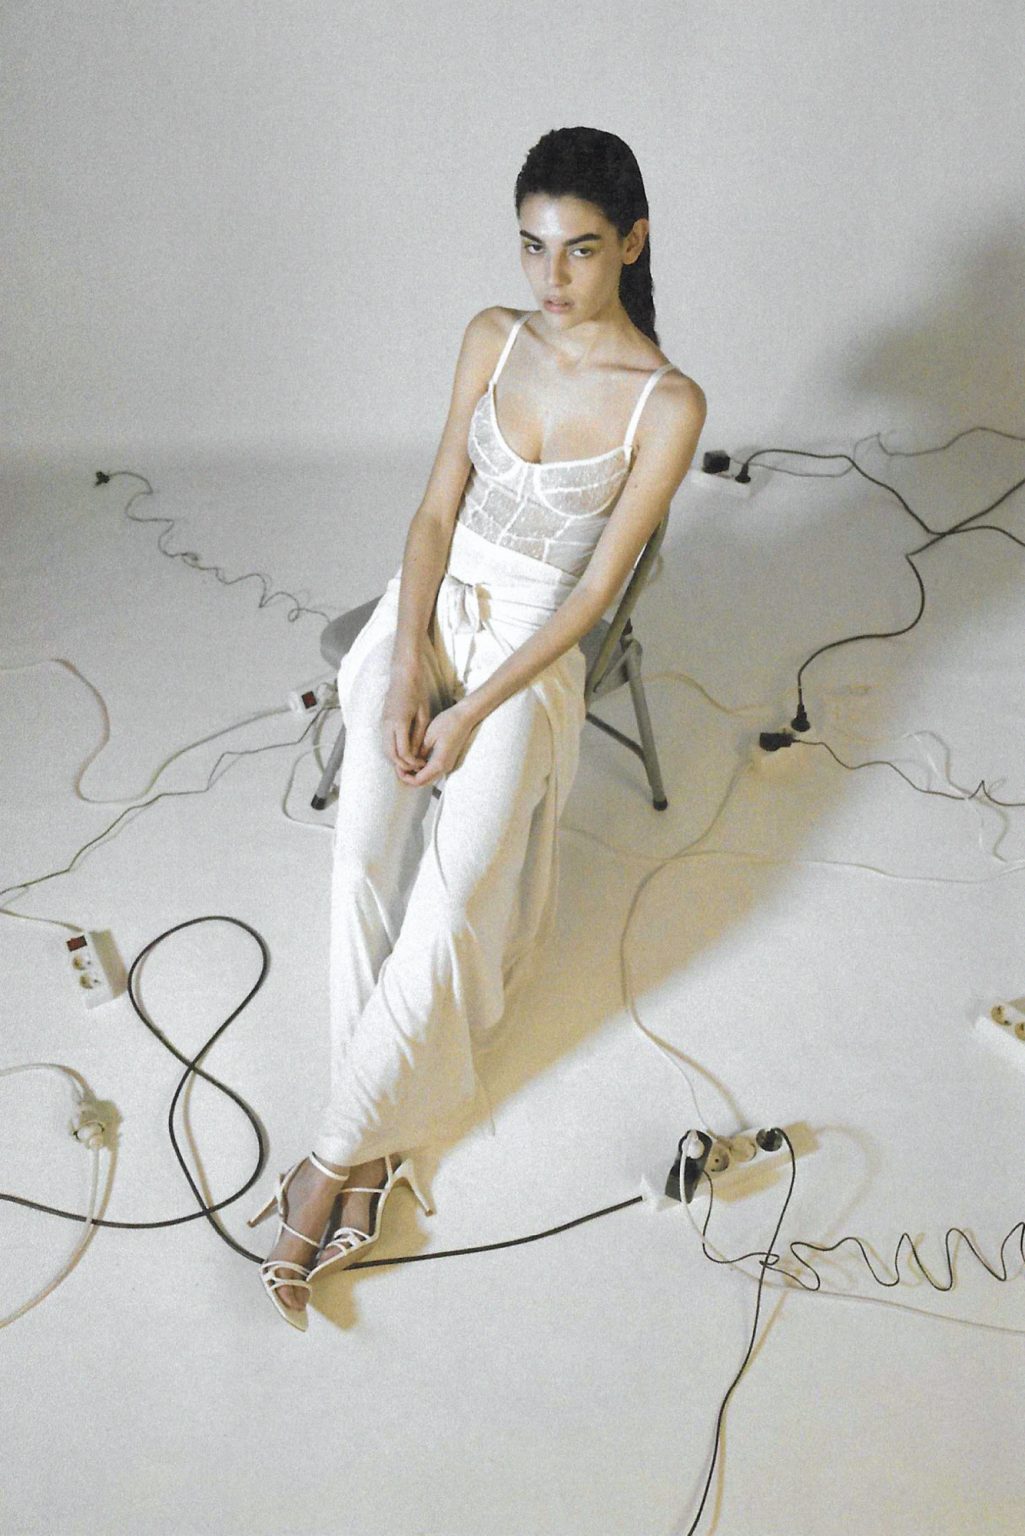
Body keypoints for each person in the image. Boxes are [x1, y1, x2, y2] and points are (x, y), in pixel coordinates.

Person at [250, 126, 707, 1329]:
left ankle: (322, 1169)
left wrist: (472, 712)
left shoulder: (666, 403)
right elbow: (430, 513)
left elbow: (594, 596)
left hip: (528, 657)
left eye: (580, 250)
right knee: (359, 864)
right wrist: (406, 661)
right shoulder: (489, 338)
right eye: (531, 246)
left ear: (632, 244)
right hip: (425, 615)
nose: (550, 277)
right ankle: (368, 1154)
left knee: (451, 912)